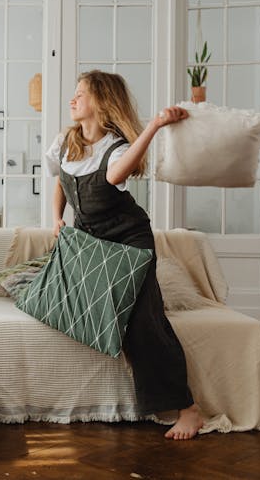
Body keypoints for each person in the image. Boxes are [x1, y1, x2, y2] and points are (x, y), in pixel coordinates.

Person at [45, 70, 203, 440]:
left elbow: (114, 177)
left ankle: (189, 409)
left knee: (144, 322)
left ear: (101, 102)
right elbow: (60, 183)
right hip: (90, 241)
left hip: (129, 241)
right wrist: (56, 219)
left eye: (80, 94)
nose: (72, 99)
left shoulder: (116, 147)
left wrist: (156, 125)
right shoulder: (67, 141)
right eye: (74, 93)